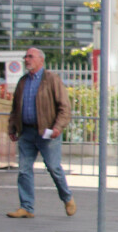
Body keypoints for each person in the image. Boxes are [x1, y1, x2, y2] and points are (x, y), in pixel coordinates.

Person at [6, 47, 76, 218]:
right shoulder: (23, 81)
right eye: (26, 56)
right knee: (24, 170)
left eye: (30, 56)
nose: (26, 59)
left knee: (53, 168)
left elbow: (64, 107)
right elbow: (15, 108)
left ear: (40, 60)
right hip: (27, 132)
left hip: (47, 133)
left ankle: (67, 198)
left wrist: (58, 127)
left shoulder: (51, 79)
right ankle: (27, 207)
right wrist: (12, 127)